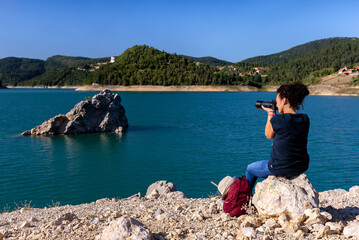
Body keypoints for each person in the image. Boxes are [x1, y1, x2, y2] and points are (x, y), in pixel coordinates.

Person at [245, 82, 310, 189]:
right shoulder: (304, 119)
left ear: (284, 100)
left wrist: (271, 113)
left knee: (250, 169)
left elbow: (268, 135)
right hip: (301, 166)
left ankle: (245, 199)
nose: (276, 104)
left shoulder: (278, 119)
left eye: (277, 101)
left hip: (280, 167)